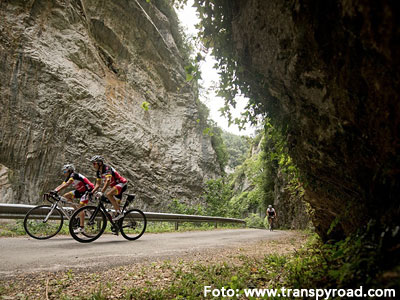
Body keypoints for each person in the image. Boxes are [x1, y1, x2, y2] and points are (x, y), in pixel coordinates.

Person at [52, 164, 95, 233]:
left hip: (88, 190)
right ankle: (76, 211)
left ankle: (82, 227)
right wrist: (54, 190)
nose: (64, 173)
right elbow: (62, 184)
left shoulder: (73, 175)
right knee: (66, 196)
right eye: (63, 172)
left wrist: (57, 191)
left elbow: (67, 184)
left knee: (81, 208)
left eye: (65, 172)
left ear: (70, 171)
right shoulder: (68, 177)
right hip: (80, 191)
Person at [89, 155, 128, 221]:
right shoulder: (98, 172)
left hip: (121, 183)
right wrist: (92, 192)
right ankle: (117, 226)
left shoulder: (107, 168)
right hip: (115, 186)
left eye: (94, 163)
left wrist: (101, 192)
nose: (93, 165)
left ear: (100, 163)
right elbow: (98, 184)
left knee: (108, 194)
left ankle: (119, 213)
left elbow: (108, 181)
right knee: (114, 204)